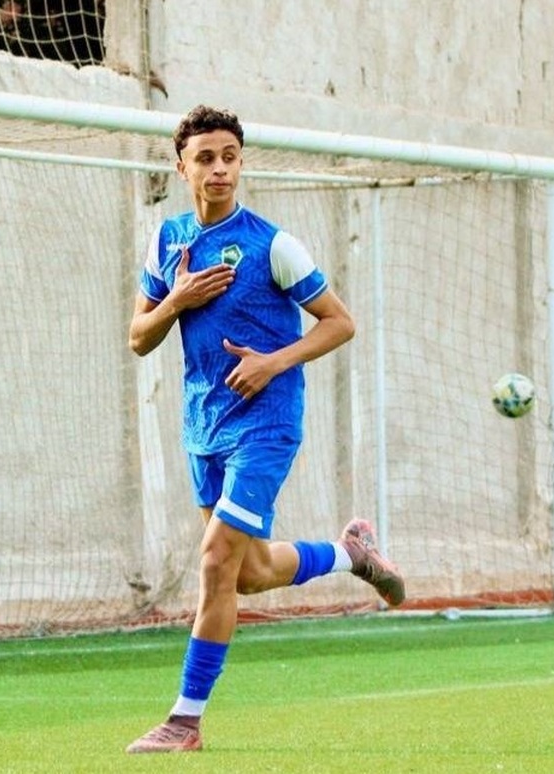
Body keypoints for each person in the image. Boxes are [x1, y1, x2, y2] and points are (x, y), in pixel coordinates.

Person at [124, 105, 405, 754]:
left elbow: (340, 322)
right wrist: (177, 300)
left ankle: (184, 722)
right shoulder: (167, 241)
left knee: (215, 561)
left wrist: (273, 362)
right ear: (181, 168)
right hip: (204, 426)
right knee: (246, 573)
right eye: (205, 158)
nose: (219, 169)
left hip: (267, 424)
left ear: (241, 163)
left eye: (229, 157)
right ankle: (351, 555)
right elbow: (139, 337)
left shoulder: (273, 245)